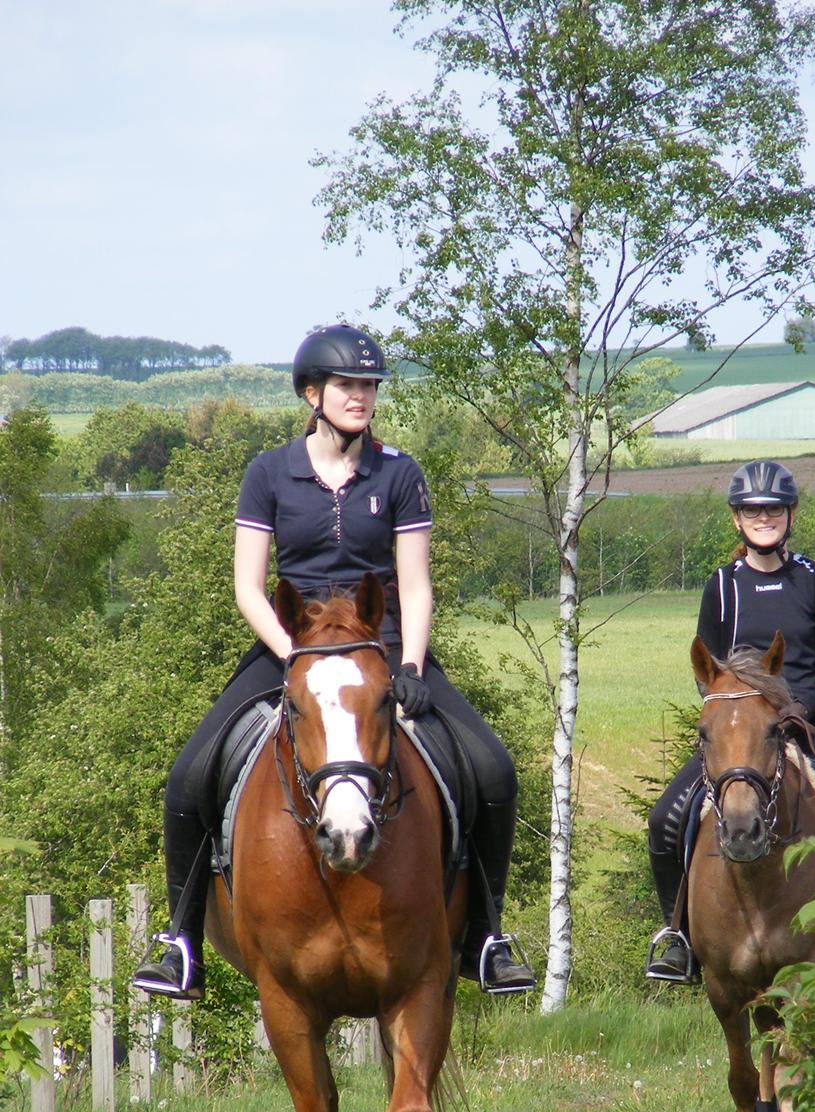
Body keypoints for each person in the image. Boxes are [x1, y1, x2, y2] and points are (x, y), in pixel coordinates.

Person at [133, 322, 535, 1000]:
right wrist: (300, 659)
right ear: (313, 393)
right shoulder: (269, 474)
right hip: (293, 650)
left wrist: (409, 667)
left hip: (385, 652)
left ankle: (485, 939)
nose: (362, 396)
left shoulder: (400, 472)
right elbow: (247, 586)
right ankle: (182, 941)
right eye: (349, 385)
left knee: (492, 768)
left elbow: (415, 585)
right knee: (188, 775)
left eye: (370, 386)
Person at [646, 459, 815, 982]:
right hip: (742, 733)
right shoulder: (723, 586)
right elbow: (708, 670)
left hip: (809, 725)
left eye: (773, 508)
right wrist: (741, 714)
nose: (764, 517)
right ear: (737, 519)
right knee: (666, 818)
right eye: (753, 510)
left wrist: (803, 706)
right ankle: (677, 938)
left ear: (790, 514)